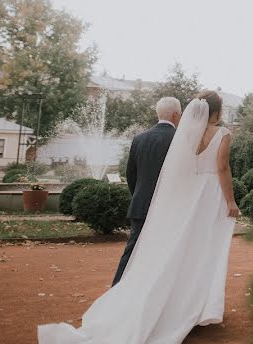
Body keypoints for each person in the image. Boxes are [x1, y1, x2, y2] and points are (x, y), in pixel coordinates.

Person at [38, 91, 241, 343]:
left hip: (178, 202)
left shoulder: (182, 135)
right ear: (218, 111)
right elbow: (222, 167)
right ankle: (198, 306)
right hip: (208, 198)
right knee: (203, 251)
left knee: (167, 253)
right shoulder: (222, 134)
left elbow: (151, 174)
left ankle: (141, 295)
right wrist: (230, 201)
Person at [111, 97, 182, 286]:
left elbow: (131, 174)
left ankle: (117, 289)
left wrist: (139, 196)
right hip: (171, 208)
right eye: (180, 114)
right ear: (176, 115)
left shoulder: (139, 138)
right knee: (169, 252)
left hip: (141, 204)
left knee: (132, 250)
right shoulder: (181, 140)